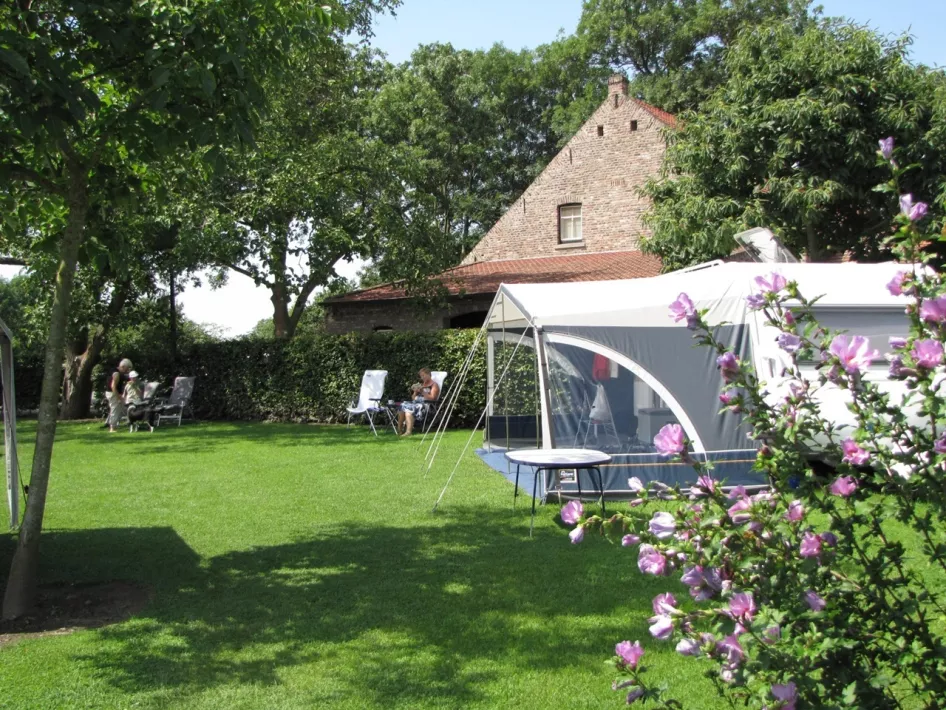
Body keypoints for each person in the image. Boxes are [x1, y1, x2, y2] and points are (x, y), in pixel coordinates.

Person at [397, 368, 439, 436]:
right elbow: (413, 399)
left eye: (423, 375)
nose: (422, 377)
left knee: (409, 409)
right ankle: (399, 430)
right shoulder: (421, 385)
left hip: (427, 405)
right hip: (416, 404)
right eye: (421, 376)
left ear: (429, 374)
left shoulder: (434, 385)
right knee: (402, 405)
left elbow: (433, 398)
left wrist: (423, 392)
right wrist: (415, 392)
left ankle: (408, 432)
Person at [105, 358, 132, 433]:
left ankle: (128, 421)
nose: (128, 370)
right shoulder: (116, 374)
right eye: (127, 368)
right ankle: (112, 428)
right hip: (113, 393)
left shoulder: (118, 371)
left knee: (123, 408)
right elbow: (113, 386)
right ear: (123, 366)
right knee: (115, 410)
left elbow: (127, 378)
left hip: (114, 393)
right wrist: (119, 397)